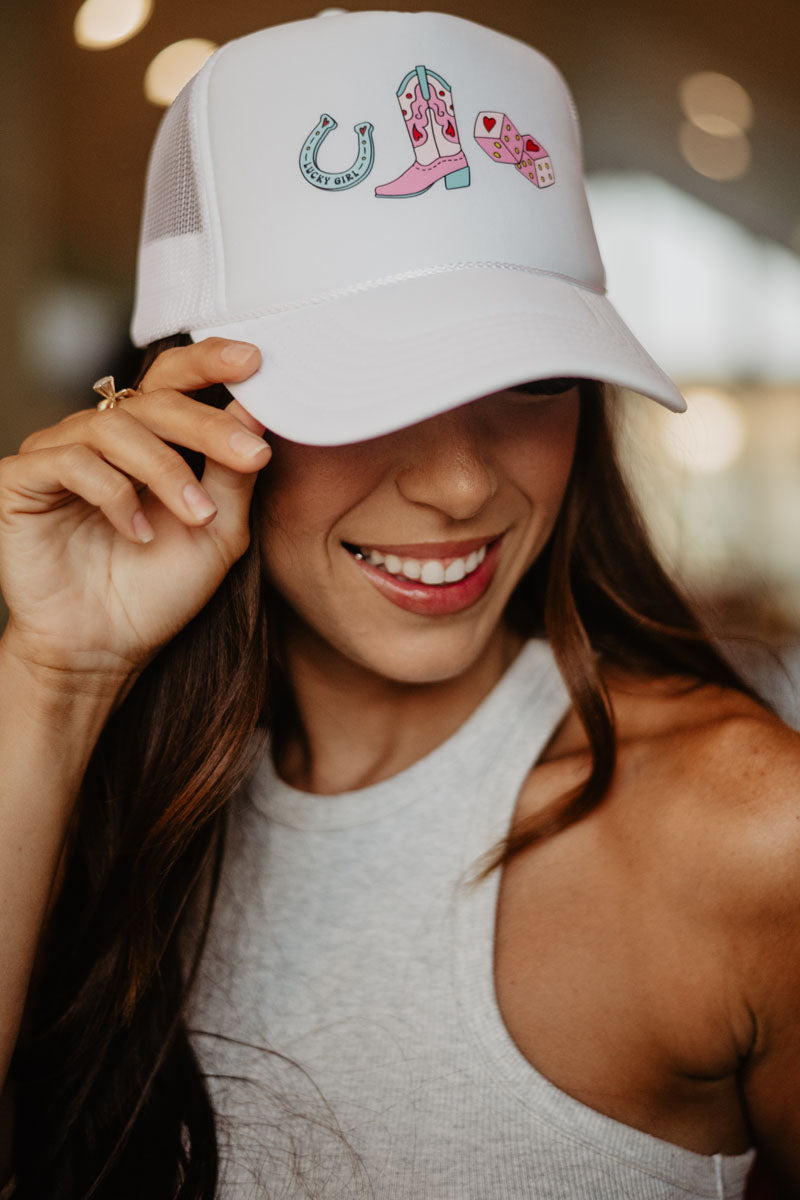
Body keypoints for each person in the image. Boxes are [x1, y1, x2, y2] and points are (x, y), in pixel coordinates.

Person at [0, 10, 798, 1199]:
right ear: (188, 406)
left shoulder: (742, 831)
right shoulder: (70, 783)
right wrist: (55, 679)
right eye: (364, 384)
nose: (463, 480)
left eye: (530, 376)